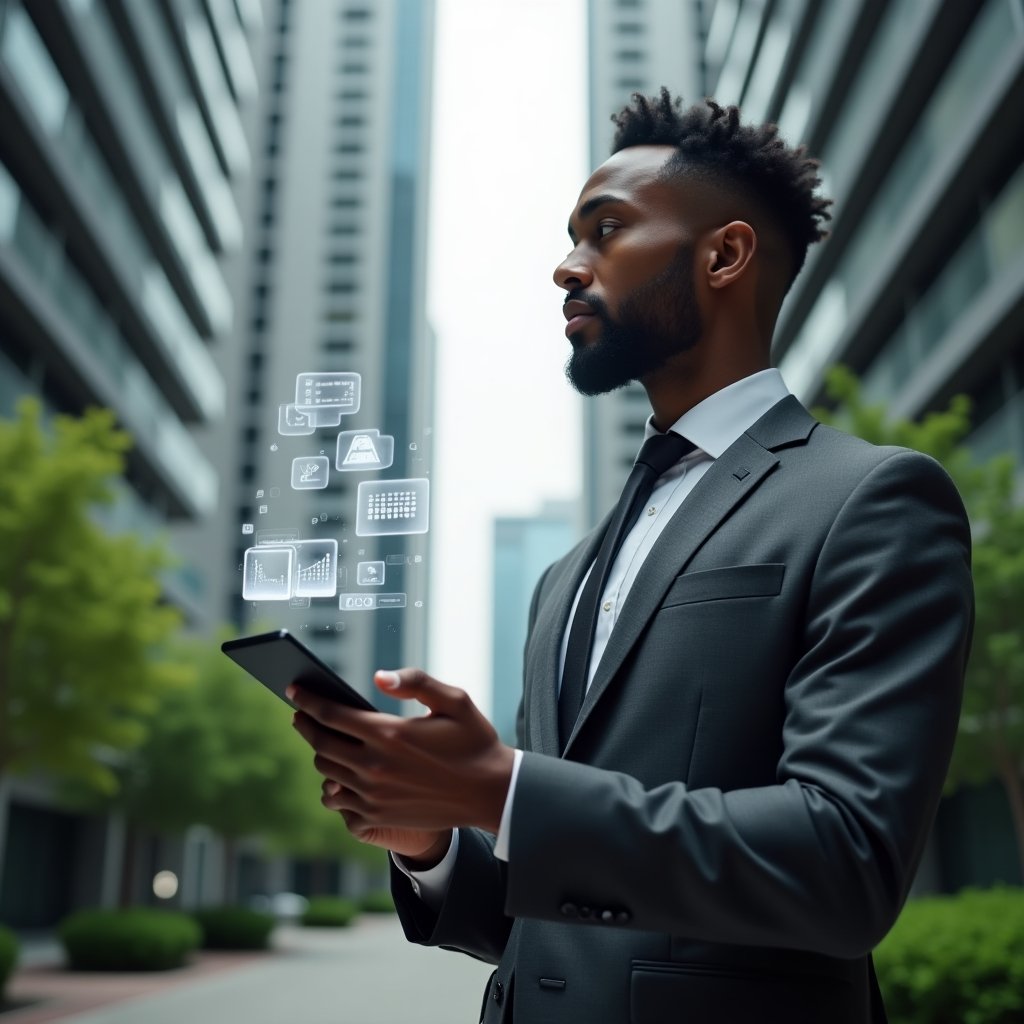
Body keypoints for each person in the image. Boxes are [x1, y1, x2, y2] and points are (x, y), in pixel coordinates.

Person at [288, 90, 974, 1023]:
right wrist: (436, 840)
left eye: (604, 230)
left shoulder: (873, 499)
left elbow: (846, 860)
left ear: (724, 254)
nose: (566, 268)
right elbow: (556, 922)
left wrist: (507, 788)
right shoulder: (563, 578)